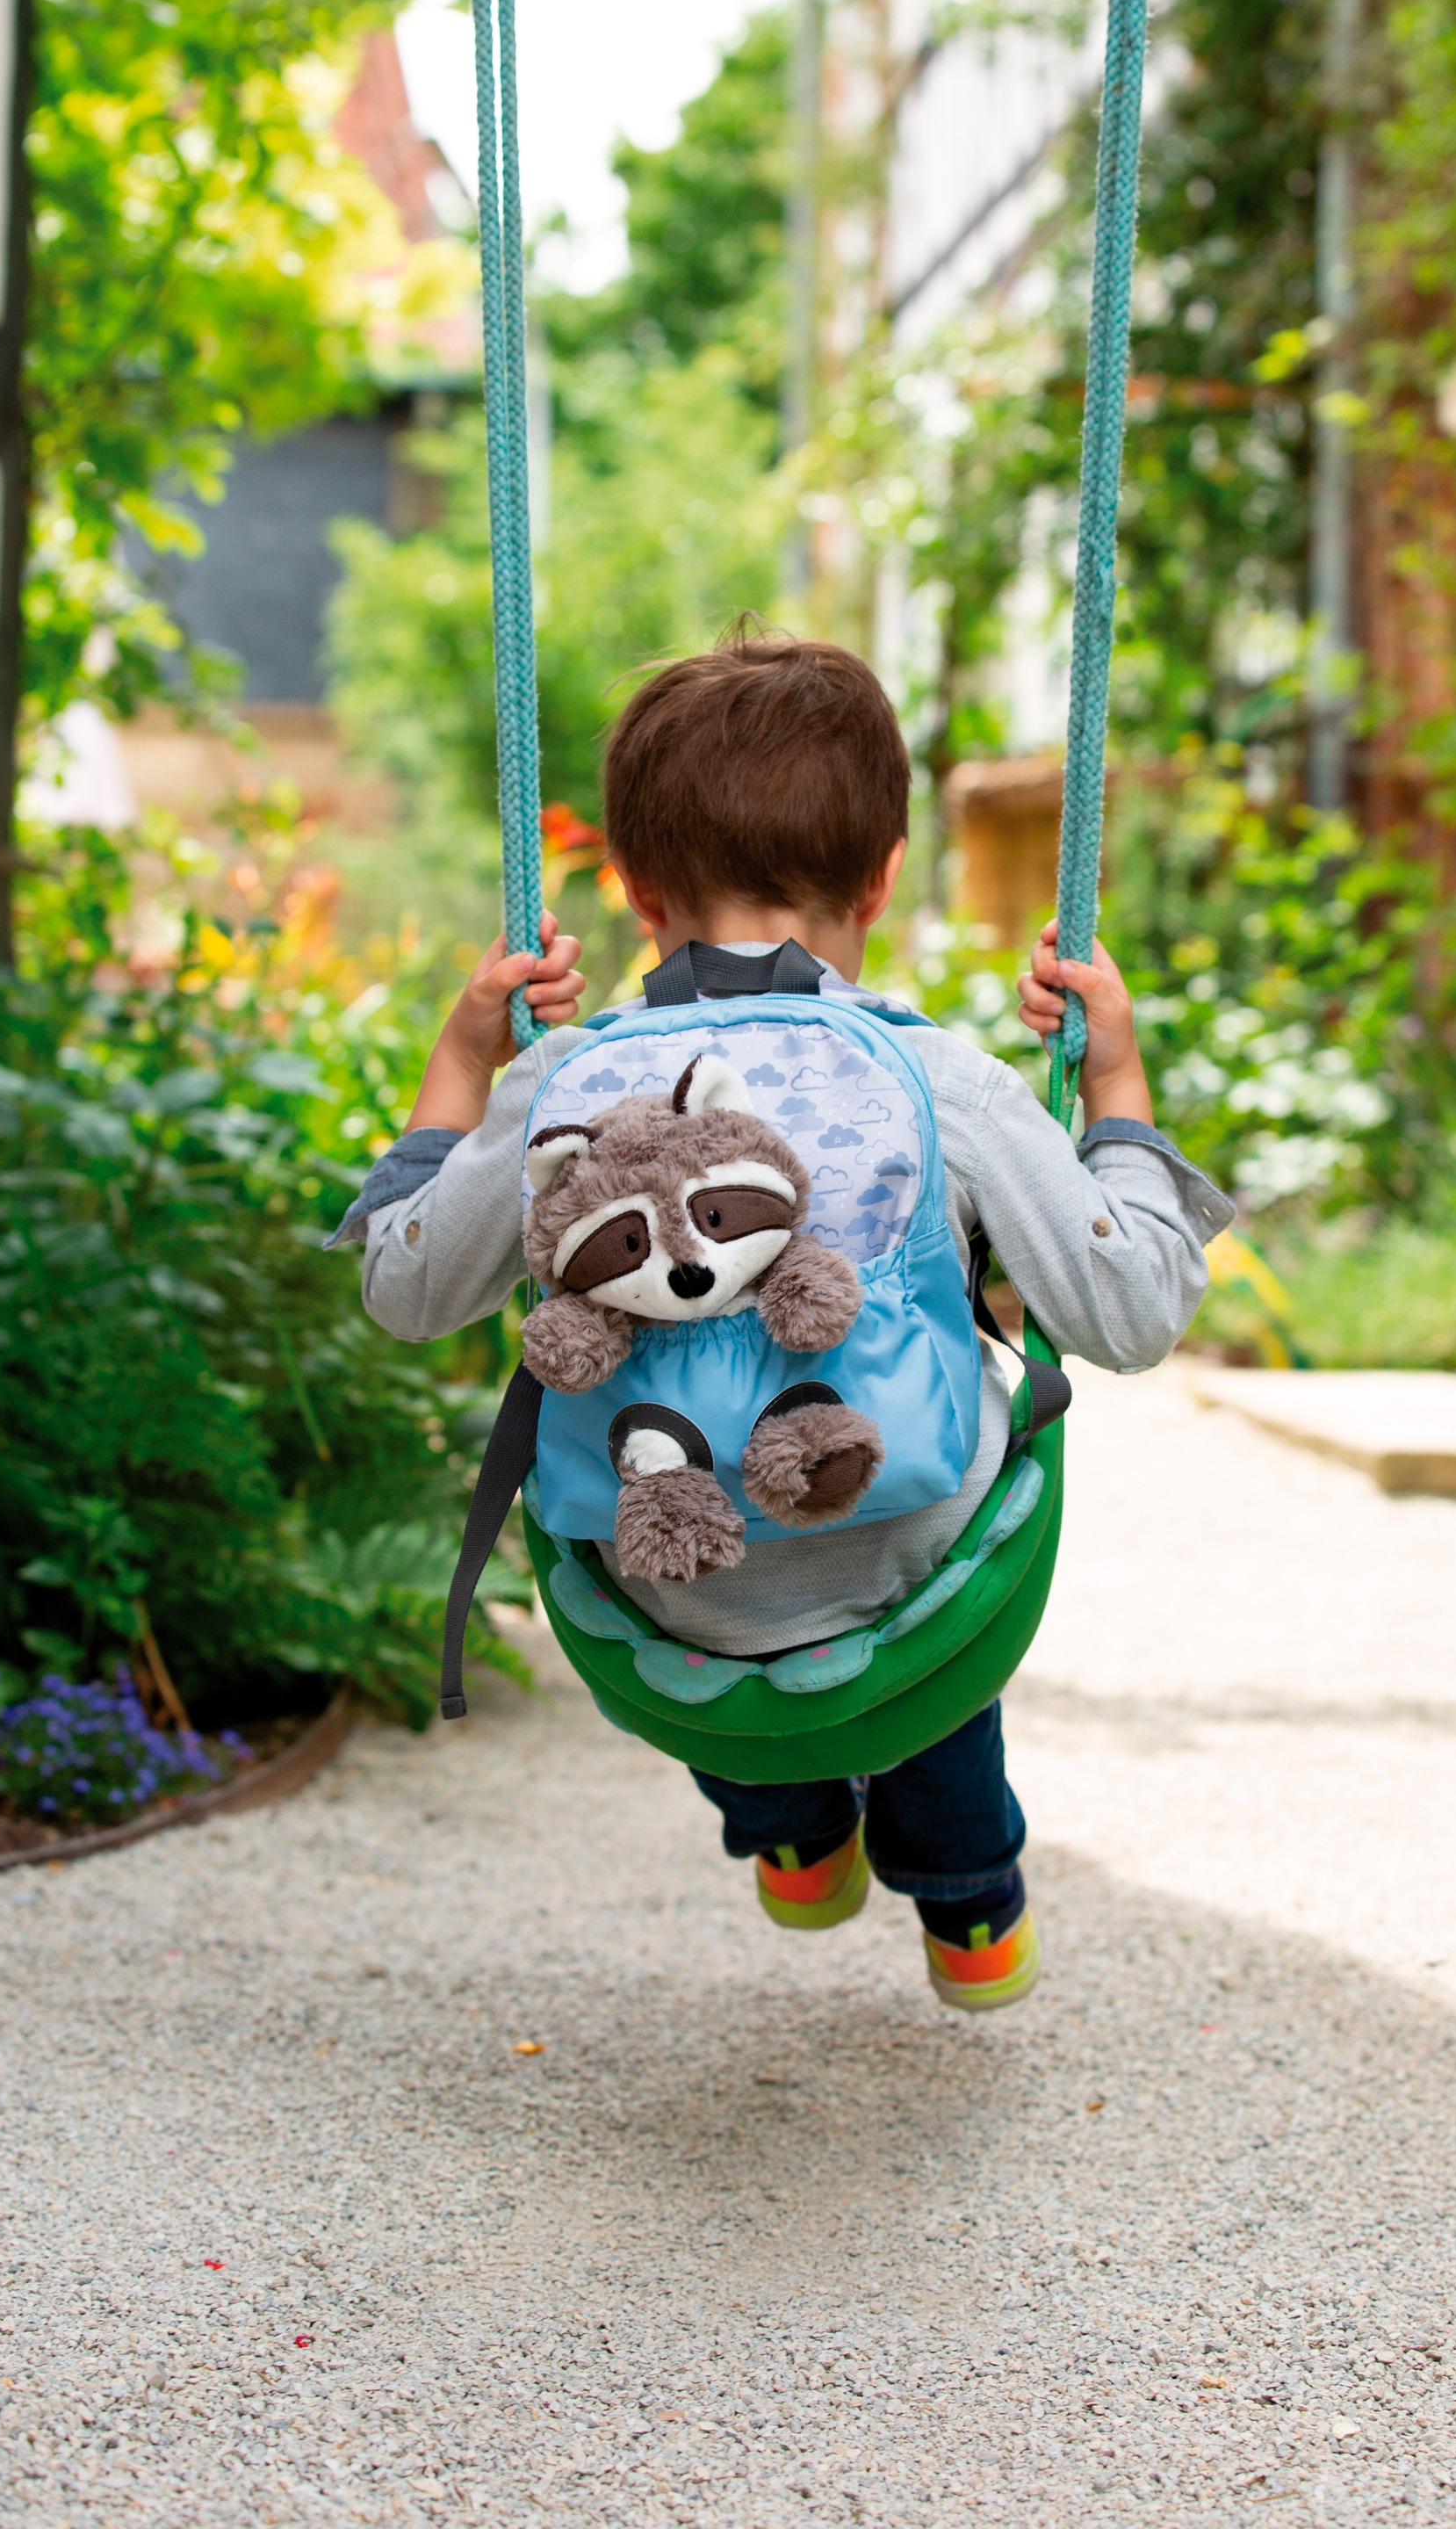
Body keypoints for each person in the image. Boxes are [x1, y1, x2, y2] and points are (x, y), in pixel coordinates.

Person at [341, 632, 1231, 2011]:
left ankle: (795, 1833)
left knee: (697, 1582)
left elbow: (403, 1291)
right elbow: (1131, 1314)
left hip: (668, 1600)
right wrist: (1115, 1086)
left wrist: (465, 1060)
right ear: (885, 871)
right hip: (913, 1567)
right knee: (917, 1563)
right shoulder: (941, 1077)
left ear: (634, 893)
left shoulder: (563, 1081)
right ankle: (973, 1911)